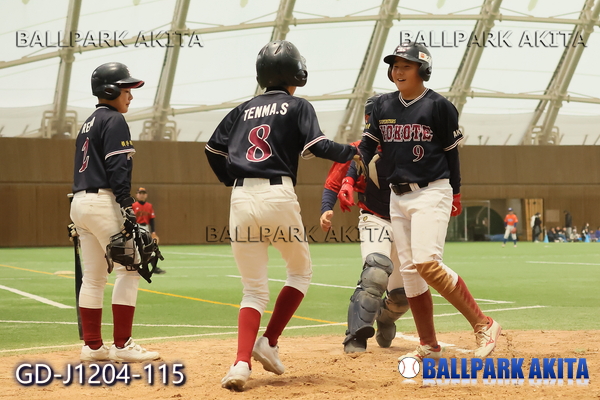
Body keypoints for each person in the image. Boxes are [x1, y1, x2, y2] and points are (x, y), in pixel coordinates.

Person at [205, 40, 360, 391]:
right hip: (278, 195)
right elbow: (318, 146)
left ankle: (240, 364)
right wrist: (353, 151)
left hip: (241, 197)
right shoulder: (297, 105)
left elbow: (212, 149)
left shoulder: (242, 109)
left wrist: (231, 177)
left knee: (253, 290)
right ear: (296, 73)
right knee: (300, 272)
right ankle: (269, 341)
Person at [356, 41, 501, 362]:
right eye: (395, 66)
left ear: (422, 70)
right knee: (410, 273)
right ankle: (429, 345)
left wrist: (456, 192)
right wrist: (353, 163)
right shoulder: (383, 105)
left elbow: (452, 155)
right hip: (397, 196)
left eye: (406, 66)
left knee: (427, 263)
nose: (398, 71)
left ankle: (484, 324)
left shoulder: (439, 106)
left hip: (431, 191)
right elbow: (366, 145)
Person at [69, 62, 160, 363]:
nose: (130, 96)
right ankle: (122, 344)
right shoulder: (114, 119)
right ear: (110, 90)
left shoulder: (88, 123)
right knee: (130, 269)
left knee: (94, 277)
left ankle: (93, 347)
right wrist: (126, 203)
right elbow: (117, 166)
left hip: (80, 202)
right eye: (125, 89)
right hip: (104, 202)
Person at [320, 95, 409, 353]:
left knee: (402, 297)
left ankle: (385, 318)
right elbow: (332, 185)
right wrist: (326, 209)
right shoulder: (358, 150)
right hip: (374, 217)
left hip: (405, 223)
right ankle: (355, 336)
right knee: (375, 274)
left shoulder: (407, 148)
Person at [132, 187, 165, 274]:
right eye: (140, 193)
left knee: (150, 248)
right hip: (136, 227)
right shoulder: (133, 206)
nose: (142, 195)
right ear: (136, 195)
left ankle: (154, 268)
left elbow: (152, 219)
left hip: (146, 228)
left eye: (143, 193)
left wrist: (153, 232)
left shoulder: (149, 206)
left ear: (146, 195)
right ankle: (137, 266)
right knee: (137, 248)